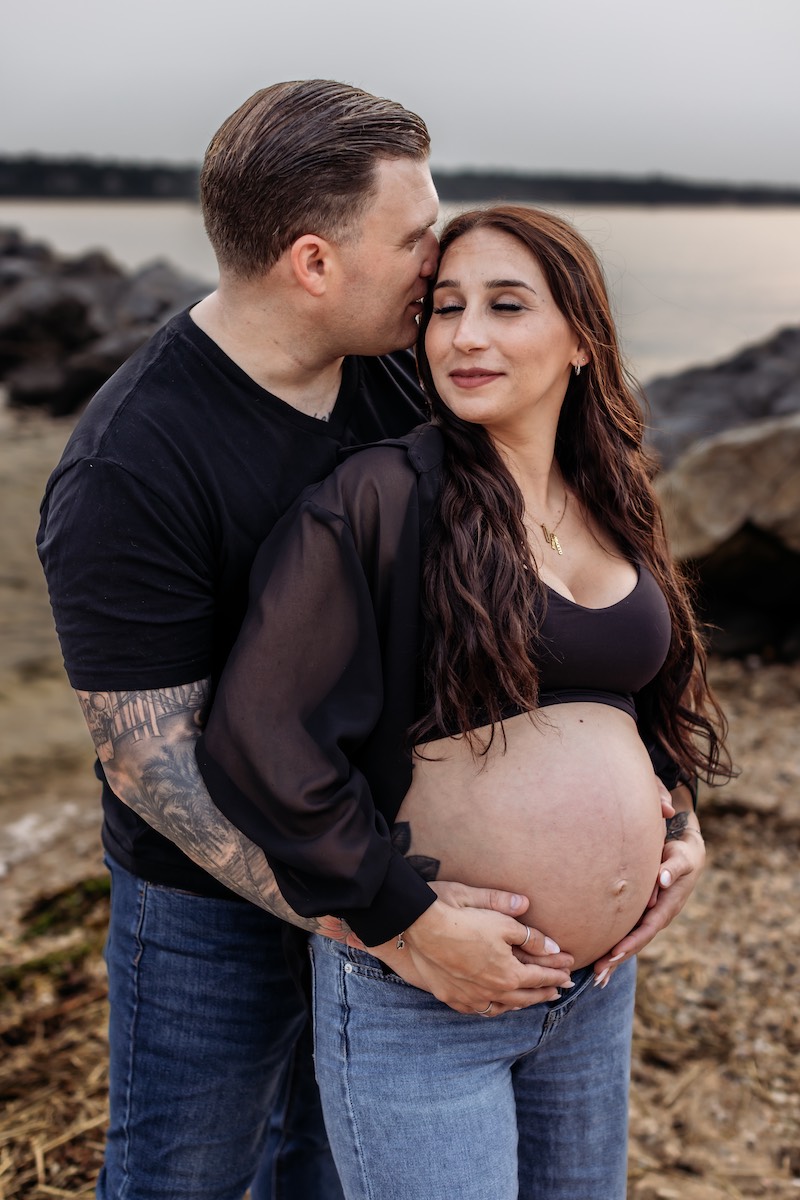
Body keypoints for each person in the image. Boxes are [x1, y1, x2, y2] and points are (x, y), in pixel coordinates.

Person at [36, 83, 558, 1200]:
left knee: (325, 1168)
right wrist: (386, 921)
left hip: (392, 856)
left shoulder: (407, 373)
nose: (439, 259)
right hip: (207, 908)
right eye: (415, 237)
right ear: (314, 263)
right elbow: (150, 760)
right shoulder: (129, 468)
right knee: (184, 1174)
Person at [197, 205, 732, 1199]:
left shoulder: (613, 497)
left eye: (503, 305)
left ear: (580, 338)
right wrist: (403, 918)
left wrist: (676, 821)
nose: (464, 335)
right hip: (424, 993)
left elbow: (639, 695)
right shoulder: (381, 498)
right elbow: (257, 737)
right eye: (444, 308)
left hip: (590, 994)